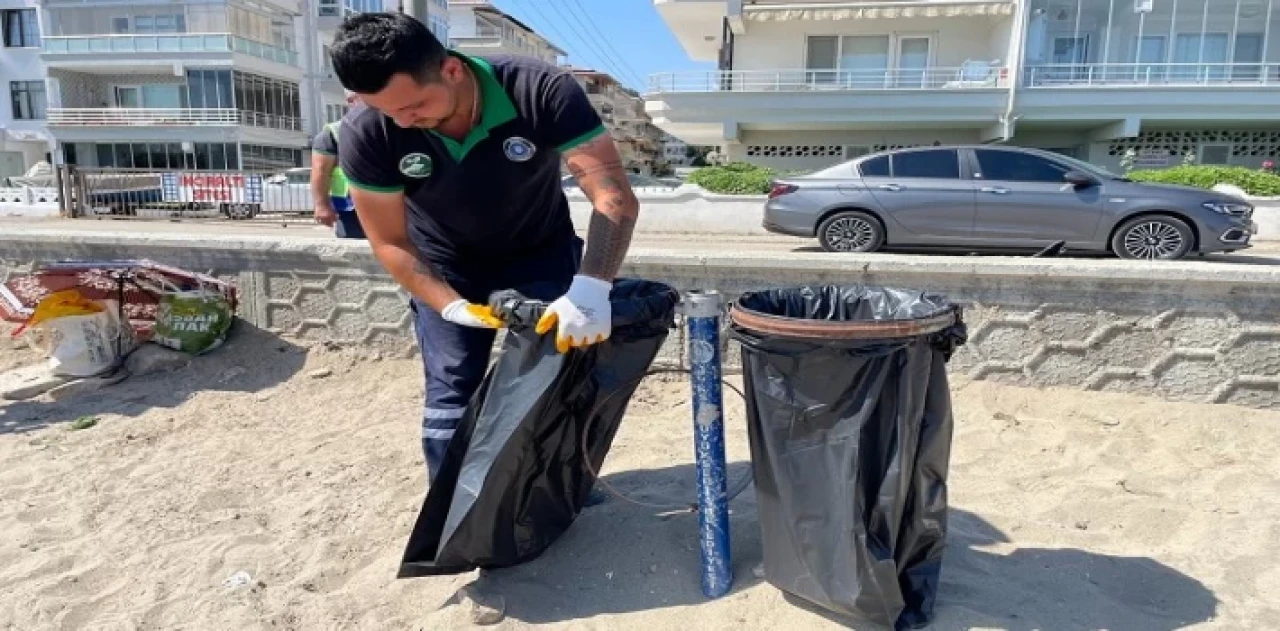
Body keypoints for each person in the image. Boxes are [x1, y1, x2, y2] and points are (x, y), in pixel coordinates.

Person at [329, 13, 640, 481]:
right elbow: (390, 240)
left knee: (555, 379)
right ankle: (453, 514)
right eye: (390, 111)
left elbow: (613, 197)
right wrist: (450, 307)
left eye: (413, 105)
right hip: (443, 264)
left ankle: (560, 489)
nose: (404, 120)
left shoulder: (540, 90)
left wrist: (592, 287)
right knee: (452, 390)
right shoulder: (369, 129)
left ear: (451, 70)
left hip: (540, 251)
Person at [310, 90, 367, 239]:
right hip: (351, 211)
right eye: (364, 97)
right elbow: (320, 171)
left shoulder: (391, 126)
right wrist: (322, 206)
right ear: (350, 101)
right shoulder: (333, 133)